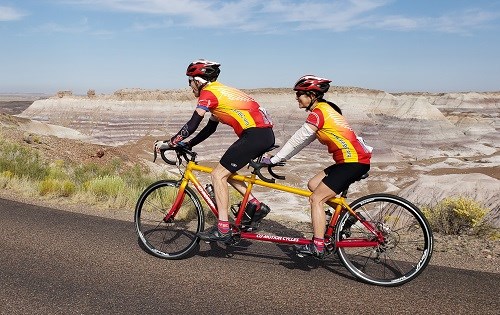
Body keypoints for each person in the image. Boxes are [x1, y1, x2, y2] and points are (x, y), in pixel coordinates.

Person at [155, 59, 275, 242]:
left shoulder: (209, 93)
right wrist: (189, 144)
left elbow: (193, 123)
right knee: (226, 171)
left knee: (217, 175)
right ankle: (255, 205)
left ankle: (223, 228)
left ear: (198, 80)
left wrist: (171, 142)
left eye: (190, 81)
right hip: (263, 134)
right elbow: (210, 128)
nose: (190, 86)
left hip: (254, 135)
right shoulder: (221, 91)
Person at [264, 75, 372, 258]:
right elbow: (302, 143)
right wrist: (281, 159)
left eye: (299, 94)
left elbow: (298, 139)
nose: (296, 97)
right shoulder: (326, 109)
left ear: (312, 94)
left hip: (352, 162)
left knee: (316, 199)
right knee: (314, 184)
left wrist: (274, 160)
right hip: (352, 160)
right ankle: (348, 216)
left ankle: (318, 245)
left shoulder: (319, 112)